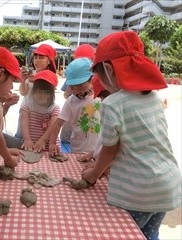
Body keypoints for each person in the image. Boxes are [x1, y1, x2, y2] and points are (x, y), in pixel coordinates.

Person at [81, 31, 181, 240]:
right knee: (149, 233)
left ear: (108, 70)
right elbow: (134, 143)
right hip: (166, 184)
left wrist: (93, 174)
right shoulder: (153, 97)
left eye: (100, 76)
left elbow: (110, 148)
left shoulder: (113, 103)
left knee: (123, 235)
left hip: (138, 191)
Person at [49, 57, 101, 156]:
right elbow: (57, 124)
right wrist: (52, 143)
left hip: (99, 149)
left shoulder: (100, 96)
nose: (77, 91)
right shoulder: (71, 101)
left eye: (81, 87)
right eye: (72, 87)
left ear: (91, 79)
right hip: (78, 150)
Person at [16, 43, 57, 139]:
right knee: (21, 136)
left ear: (49, 61)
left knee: (38, 138)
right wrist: (23, 80)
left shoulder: (51, 75)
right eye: (35, 57)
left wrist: (39, 80)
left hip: (42, 113)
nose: (37, 60)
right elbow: (23, 93)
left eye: (41, 57)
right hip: (26, 110)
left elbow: (50, 95)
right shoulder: (30, 73)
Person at [60, 44, 96, 144]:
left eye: (81, 87)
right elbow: (66, 95)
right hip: (74, 120)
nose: (77, 89)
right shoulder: (73, 75)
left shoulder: (98, 87)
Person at [20, 70, 60, 152]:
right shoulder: (27, 105)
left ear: (52, 93)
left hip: (49, 146)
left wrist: (43, 140)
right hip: (31, 144)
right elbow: (24, 123)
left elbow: (52, 126)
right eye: (37, 91)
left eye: (45, 92)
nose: (40, 95)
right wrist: (27, 139)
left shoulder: (54, 108)